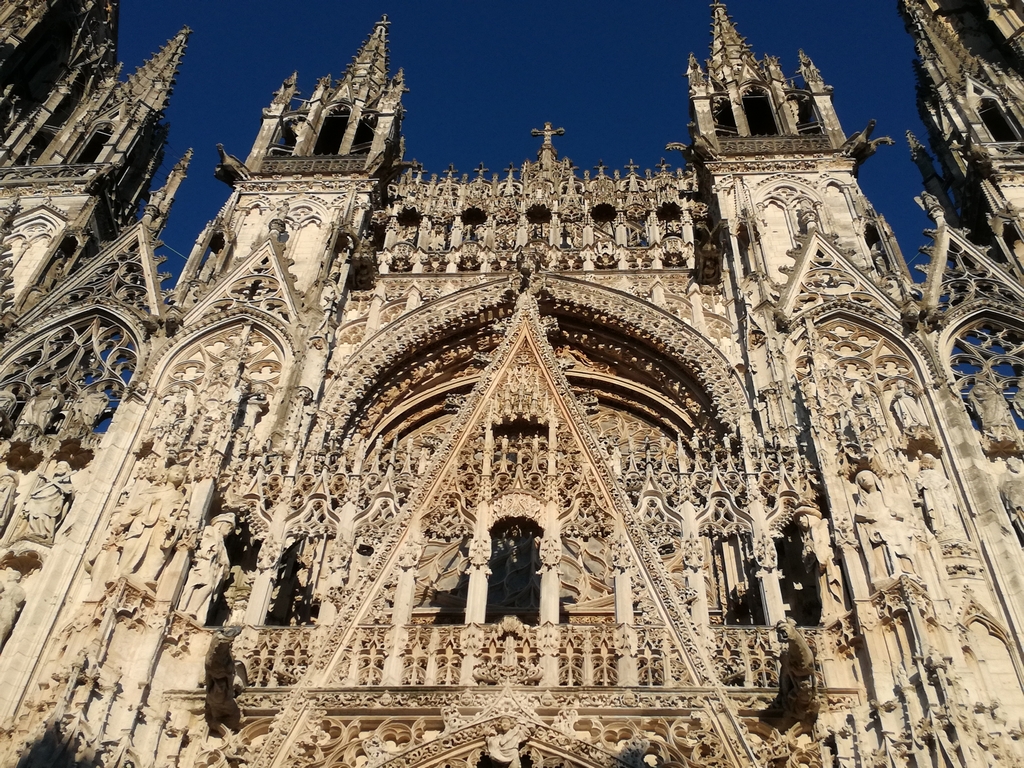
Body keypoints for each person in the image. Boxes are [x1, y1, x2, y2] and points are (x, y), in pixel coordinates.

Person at [180, 513, 234, 622]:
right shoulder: (210, 530)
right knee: (203, 585)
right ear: (221, 524)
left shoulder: (222, 542)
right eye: (228, 527)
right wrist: (212, 550)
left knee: (209, 587)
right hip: (205, 563)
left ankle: (193, 609)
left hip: (213, 568)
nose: (229, 531)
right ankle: (189, 608)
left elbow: (224, 559)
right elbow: (205, 544)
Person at [23, 462, 73, 542]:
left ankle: (44, 533)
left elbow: (69, 493)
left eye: (63, 466)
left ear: (67, 470)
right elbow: (40, 488)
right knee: (33, 509)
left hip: (52, 501)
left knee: (45, 512)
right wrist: (43, 479)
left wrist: (67, 492)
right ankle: (34, 530)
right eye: (59, 466)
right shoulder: (49, 480)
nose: (60, 467)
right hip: (39, 498)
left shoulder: (67, 483)